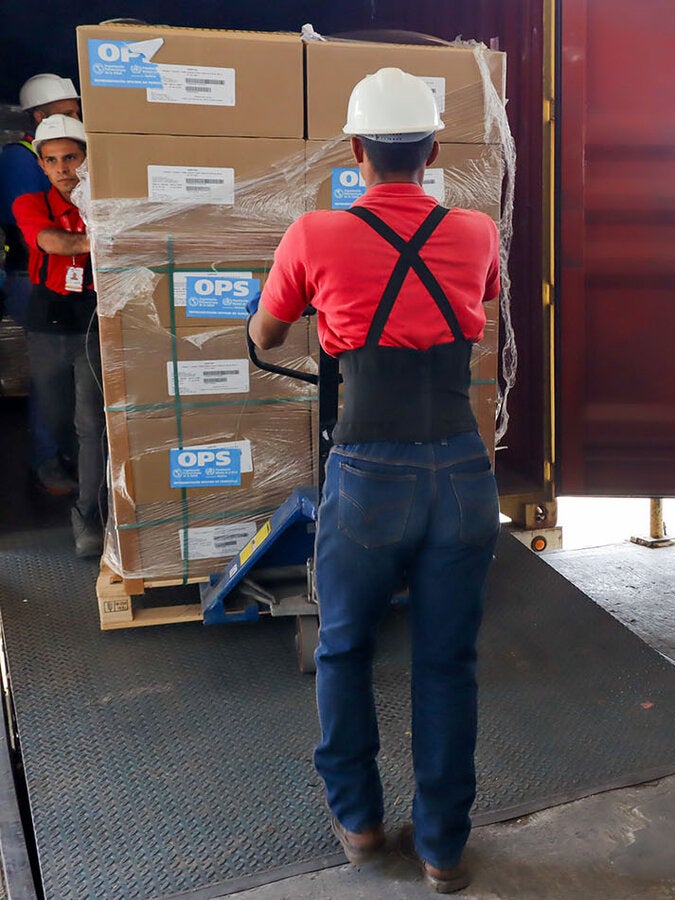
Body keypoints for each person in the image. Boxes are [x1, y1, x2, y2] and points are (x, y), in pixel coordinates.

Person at [248, 68, 500, 893]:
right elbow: (481, 300)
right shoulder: (476, 230)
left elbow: (266, 332)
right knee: (447, 661)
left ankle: (358, 826)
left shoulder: (313, 234)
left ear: (356, 151)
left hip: (368, 467)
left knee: (345, 647)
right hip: (462, 469)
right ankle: (442, 849)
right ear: (431, 152)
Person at [11, 115, 105, 558]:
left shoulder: (105, 202)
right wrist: (104, 238)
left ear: (87, 159)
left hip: (92, 320)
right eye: (53, 161)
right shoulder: (30, 204)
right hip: (47, 321)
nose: (65, 169)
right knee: (56, 419)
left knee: (91, 424)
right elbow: (50, 242)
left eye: (72, 157)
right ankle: (64, 467)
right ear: (43, 167)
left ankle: (88, 516)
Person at [2, 74, 81, 495]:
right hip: (32, 276)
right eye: (66, 113)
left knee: (80, 383)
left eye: (76, 112)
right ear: (39, 116)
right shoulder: (21, 159)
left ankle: (77, 457)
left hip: (76, 276)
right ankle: (48, 460)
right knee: (50, 379)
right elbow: (37, 223)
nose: (75, 119)